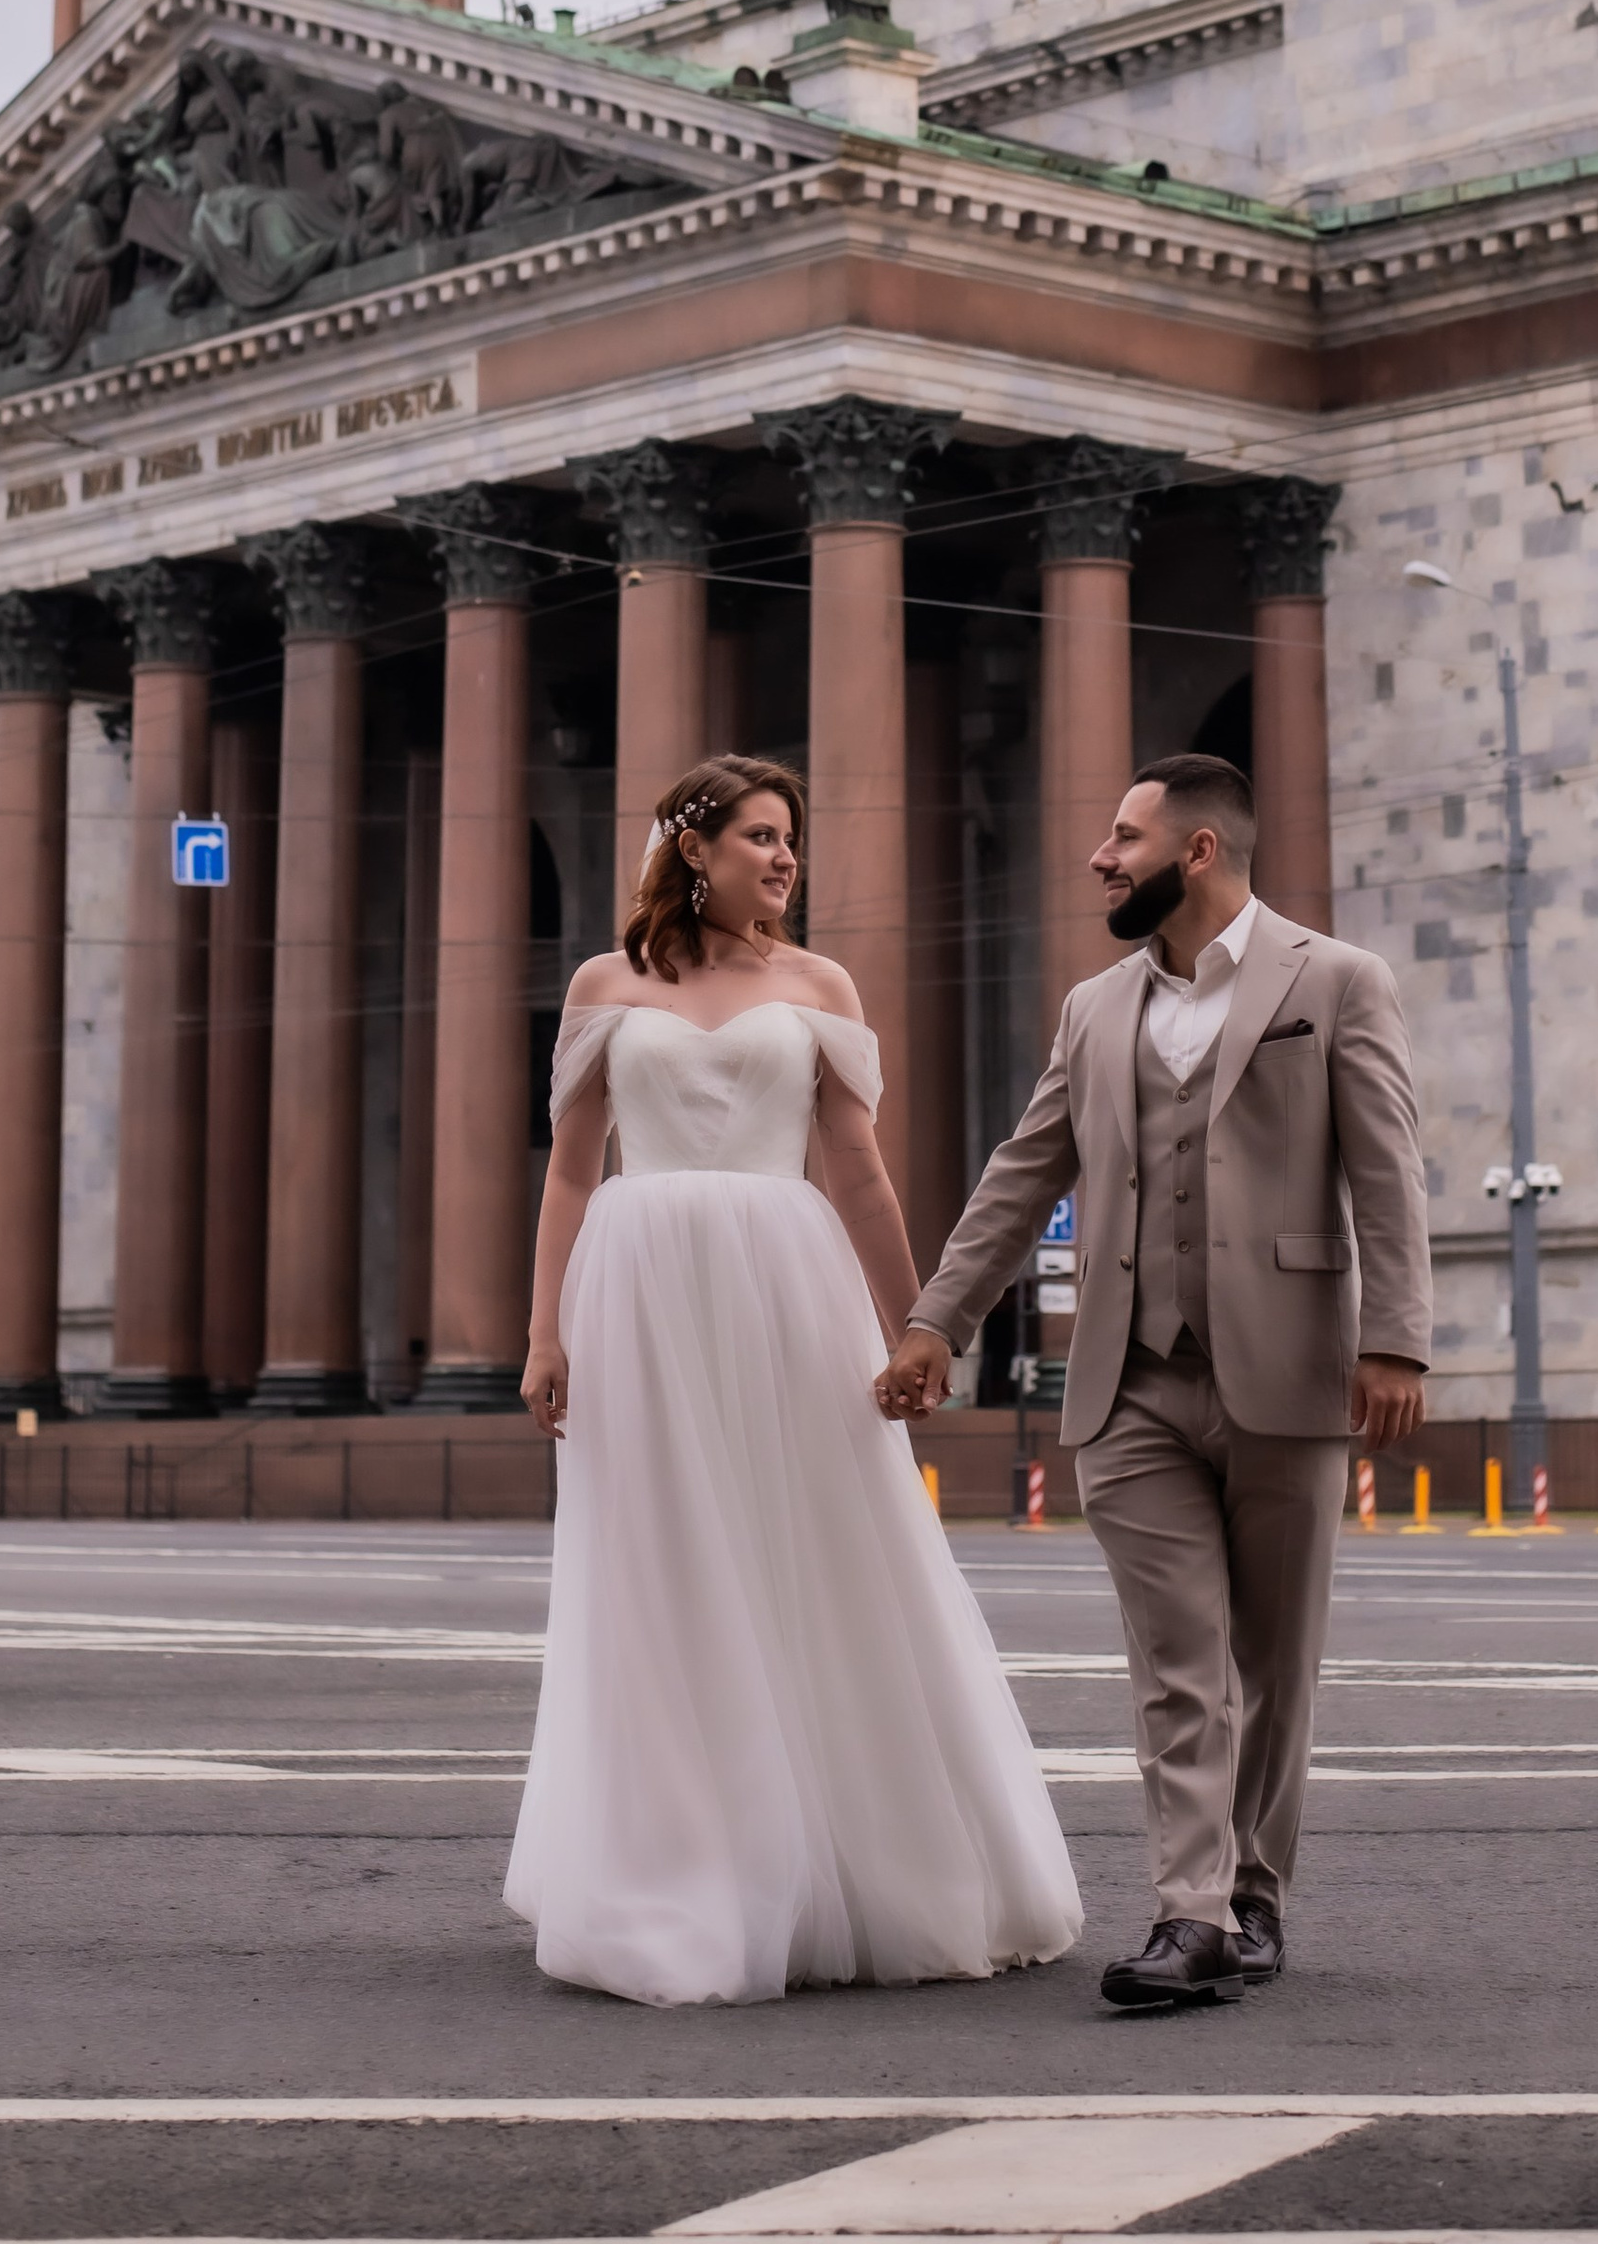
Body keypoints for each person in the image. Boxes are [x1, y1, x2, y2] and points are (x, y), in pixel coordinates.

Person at [506, 755, 1080, 2005]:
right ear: (692, 847)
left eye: (792, 839)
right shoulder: (606, 984)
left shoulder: (819, 984)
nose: (782, 857)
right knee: (660, 1569)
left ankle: (869, 1856)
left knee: (824, 1544)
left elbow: (860, 1172)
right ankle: (682, 1864)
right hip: (641, 1293)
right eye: (760, 835)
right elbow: (568, 1170)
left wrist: (918, 1322)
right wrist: (544, 1333)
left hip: (788, 1284)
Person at [879, 752, 1433, 2012]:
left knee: (1273, 1659)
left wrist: (1395, 1336)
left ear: (1196, 851)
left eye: (1122, 835)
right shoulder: (1093, 1006)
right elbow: (1022, 1174)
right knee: (1179, 1657)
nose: (1098, 856)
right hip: (1127, 1379)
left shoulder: (1335, 979)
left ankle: (1253, 1894)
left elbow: (1387, 1169)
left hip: (1290, 1369)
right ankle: (1189, 1914)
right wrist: (934, 1320)